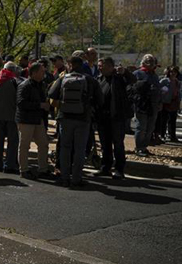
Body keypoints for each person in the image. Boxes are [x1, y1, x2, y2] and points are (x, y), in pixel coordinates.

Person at [48, 56, 103, 187]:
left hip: (65, 118)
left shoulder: (63, 79)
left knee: (65, 148)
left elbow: (51, 94)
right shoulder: (90, 80)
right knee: (80, 149)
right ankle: (76, 178)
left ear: (70, 65)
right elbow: (100, 100)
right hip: (83, 119)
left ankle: (64, 177)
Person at [94, 57, 130, 179]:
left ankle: (119, 169)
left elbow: (133, 80)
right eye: (98, 65)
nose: (99, 68)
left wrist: (124, 72)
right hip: (102, 118)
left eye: (101, 65)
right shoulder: (99, 79)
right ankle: (105, 167)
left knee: (118, 144)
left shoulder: (119, 78)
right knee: (105, 145)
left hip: (116, 118)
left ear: (110, 66)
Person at [16, 62, 52, 179]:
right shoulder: (25, 85)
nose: (44, 74)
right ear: (34, 73)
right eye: (42, 71)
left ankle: (43, 169)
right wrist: (40, 105)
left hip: (38, 119)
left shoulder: (41, 84)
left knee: (43, 144)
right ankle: (24, 170)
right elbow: (21, 103)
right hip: (26, 120)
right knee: (24, 146)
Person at [131, 54, 162, 157]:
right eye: (148, 61)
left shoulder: (155, 75)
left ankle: (144, 147)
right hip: (142, 105)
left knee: (150, 128)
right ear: (143, 62)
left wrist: (160, 102)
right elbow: (132, 89)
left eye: (152, 61)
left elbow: (158, 90)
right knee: (141, 127)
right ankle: (139, 147)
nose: (151, 63)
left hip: (153, 105)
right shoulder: (137, 74)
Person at [158, 66, 180, 143]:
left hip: (174, 103)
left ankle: (172, 135)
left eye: (175, 72)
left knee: (172, 120)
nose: (173, 74)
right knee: (163, 120)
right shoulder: (164, 81)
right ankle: (162, 134)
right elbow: (159, 91)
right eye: (171, 72)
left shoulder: (177, 82)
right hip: (165, 103)